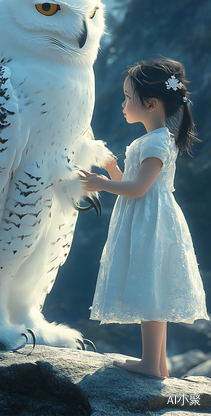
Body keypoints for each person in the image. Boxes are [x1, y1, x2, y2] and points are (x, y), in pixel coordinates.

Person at [79, 58, 209, 378]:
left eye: (127, 97)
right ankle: (158, 364)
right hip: (147, 219)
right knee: (152, 292)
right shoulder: (151, 140)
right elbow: (135, 183)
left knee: (151, 292)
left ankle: (151, 363)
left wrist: (100, 184)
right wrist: (112, 170)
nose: (123, 103)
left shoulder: (156, 142)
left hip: (151, 223)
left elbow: (138, 189)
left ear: (150, 103)